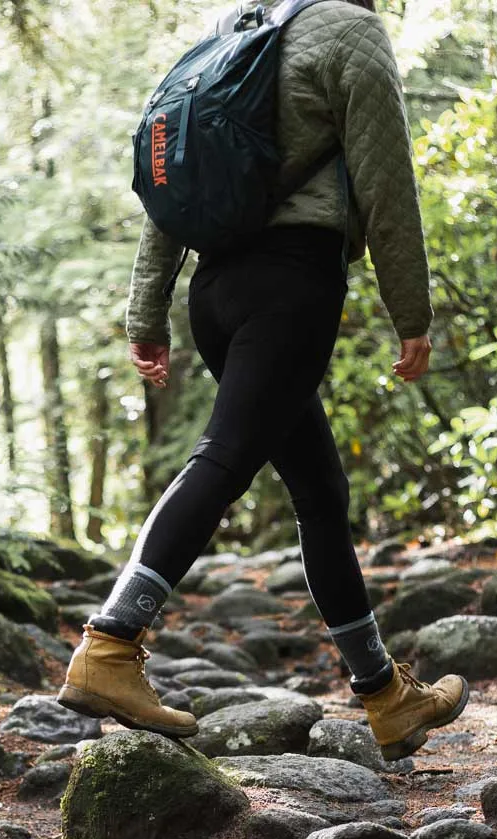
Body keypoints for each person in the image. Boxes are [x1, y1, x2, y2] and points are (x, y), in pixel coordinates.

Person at [57, 0, 469, 762]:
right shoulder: (352, 31)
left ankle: (385, 698)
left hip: (213, 294)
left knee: (319, 491)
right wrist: (412, 309)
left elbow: (169, 188)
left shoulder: (232, 32)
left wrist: (146, 311)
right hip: (291, 287)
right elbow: (386, 180)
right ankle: (110, 644)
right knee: (223, 459)